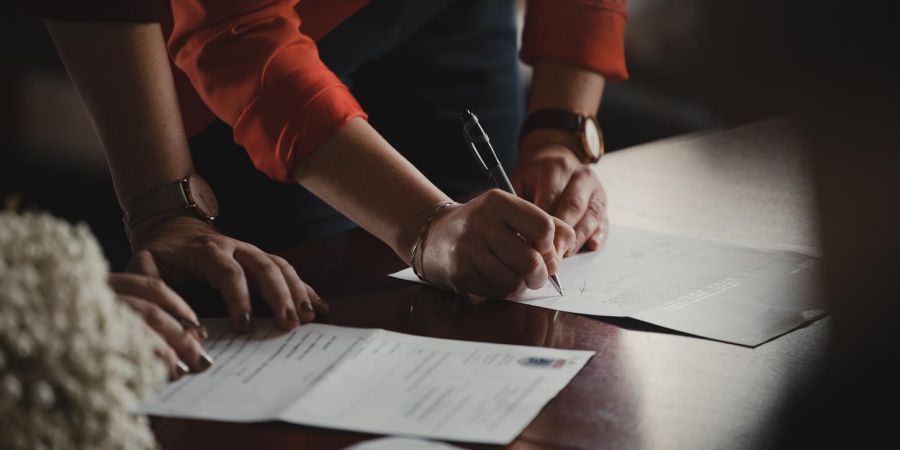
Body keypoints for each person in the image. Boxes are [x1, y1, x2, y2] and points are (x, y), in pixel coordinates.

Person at [37, 1, 627, 335]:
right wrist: (425, 223)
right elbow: (235, 33)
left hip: (457, 15)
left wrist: (560, 132)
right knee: (308, 319)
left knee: (493, 287)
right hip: (251, 46)